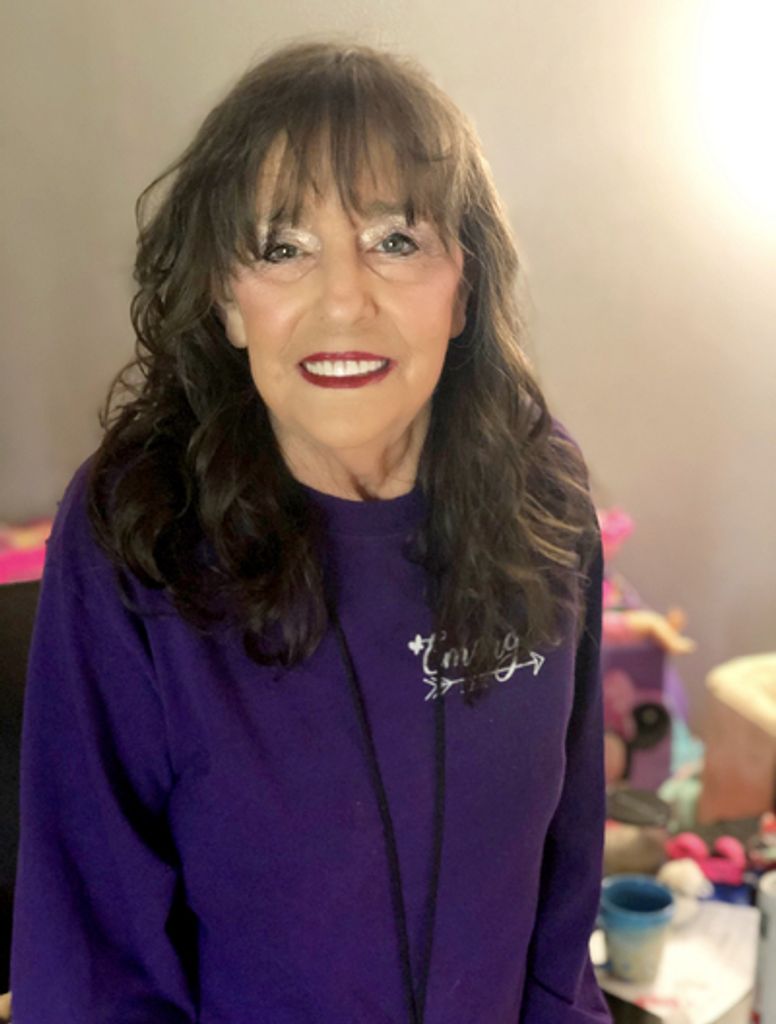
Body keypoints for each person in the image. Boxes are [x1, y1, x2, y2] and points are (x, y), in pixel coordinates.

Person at [11, 40, 611, 1023]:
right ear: (225, 298)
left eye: (395, 239)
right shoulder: (138, 526)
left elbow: (566, 882)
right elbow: (89, 959)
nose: (342, 299)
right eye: (281, 247)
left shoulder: (543, 493)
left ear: (463, 284)